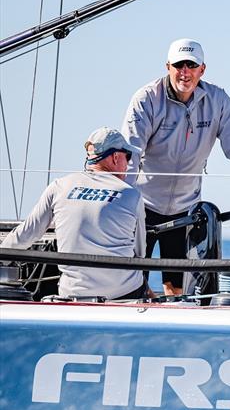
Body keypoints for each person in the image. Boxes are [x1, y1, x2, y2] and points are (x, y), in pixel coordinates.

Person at [121, 38, 230, 296]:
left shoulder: (218, 100)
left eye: (191, 65)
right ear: (168, 66)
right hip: (142, 207)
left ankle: (172, 332)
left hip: (184, 210)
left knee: (177, 287)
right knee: (133, 284)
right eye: (179, 65)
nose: (185, 72)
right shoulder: (146, 98)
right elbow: (131, 153)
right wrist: (121, 202)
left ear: (203, 69)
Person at [1, 127, 148, 300]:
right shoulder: (131, 194)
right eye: (128, 158)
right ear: (115, 157)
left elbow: (25, 234)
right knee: (141, 281)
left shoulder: (60, 186)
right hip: (123, 293)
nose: (128, 165)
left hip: (73, 293)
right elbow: (140, 253)